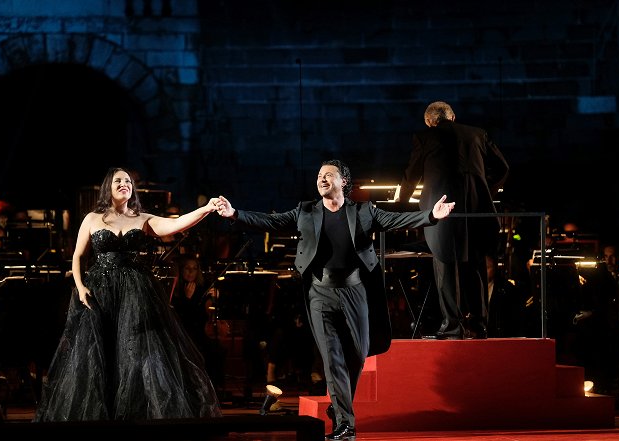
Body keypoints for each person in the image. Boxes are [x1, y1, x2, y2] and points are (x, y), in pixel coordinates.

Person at [214, 159, 455, 441]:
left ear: (344, 182)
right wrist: (235, 214)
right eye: (319, 175)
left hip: (355, 291)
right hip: (320, 292)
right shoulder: (305, 211)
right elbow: (271, 221)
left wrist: (431, 216)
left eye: (329, 175)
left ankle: (340, 407)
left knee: (358, 355)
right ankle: (346, 425)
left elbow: (396, 220)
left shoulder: (364, 212)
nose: (322, 179)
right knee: (333, 359)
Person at [33, 167, 222, 421]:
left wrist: (207, 208)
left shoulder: (143, 218)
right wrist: (80, 287)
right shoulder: (92, 218)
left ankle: (132, 416)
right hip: (99, 292)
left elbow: (176, 224)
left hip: (135, 293)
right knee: (98, 353)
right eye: (118, 180)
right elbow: (78, 256)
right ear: (108, 188)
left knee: (134, 351)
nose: (124, 184)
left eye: (128, 181)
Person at [396, 101, 509, 340]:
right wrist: (485, 188)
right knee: (476, 266)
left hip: (443, 209)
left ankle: (452, 326)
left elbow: (412, 174)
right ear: (453, 116)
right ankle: (479, 326)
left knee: (445, 265)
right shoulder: (478, 134)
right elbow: (503, 167)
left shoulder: (424, 137)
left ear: (429, 122)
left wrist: (401, 204)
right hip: (477, 210)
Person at [170, 254, 226, 390]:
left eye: (194, 268)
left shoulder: (203, 287)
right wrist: (187, 299)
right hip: (184, 332)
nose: (190, 271)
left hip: (201, 330)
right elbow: (180, 316)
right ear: (181, 269)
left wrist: (216, 298)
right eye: (187, 268)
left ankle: (215, 388)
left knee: (218, 350)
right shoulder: (175, 289)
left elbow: (209, 311)